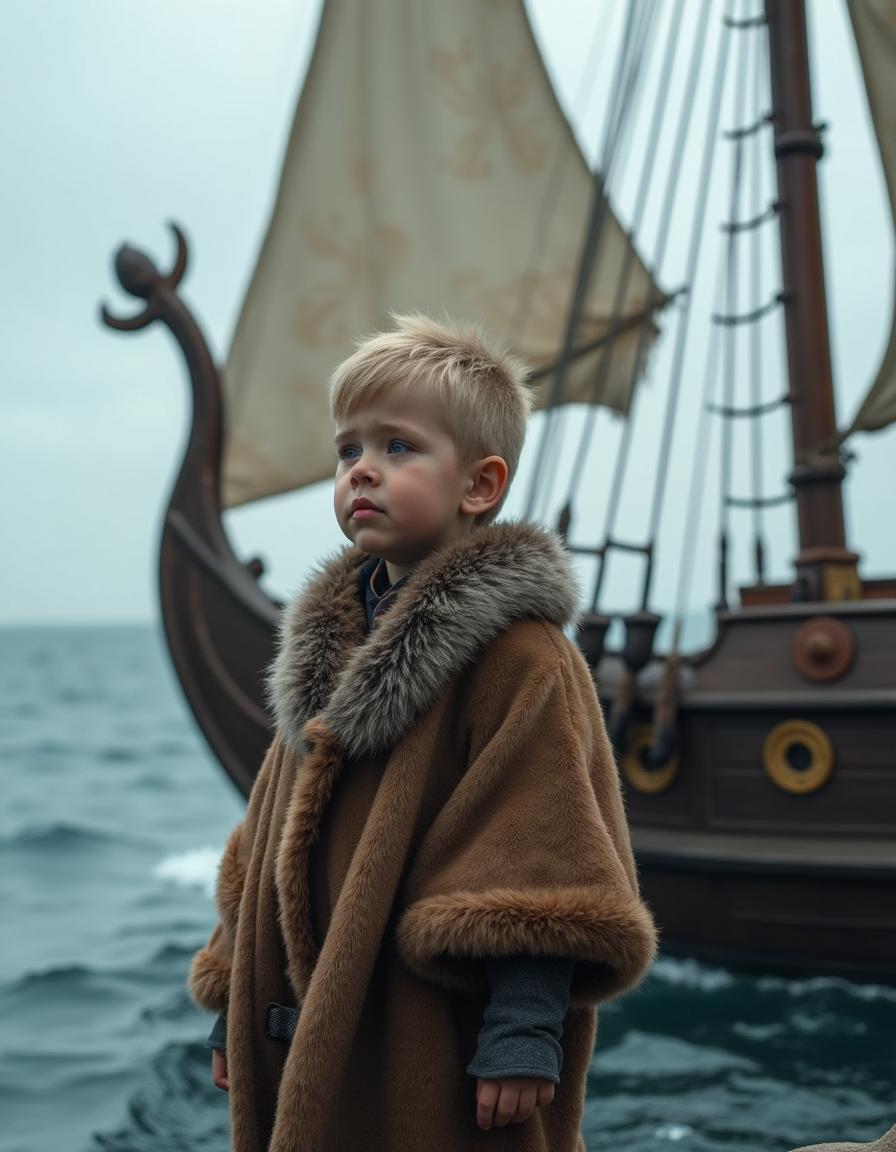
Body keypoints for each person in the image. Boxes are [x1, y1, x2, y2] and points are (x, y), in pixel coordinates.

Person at [188, 313, 657, 1152]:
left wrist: (523, 1028)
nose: (362, 469)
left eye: (398, 448)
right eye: (347, 451)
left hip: (439, 1044)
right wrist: (235, 993)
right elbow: (265, 835)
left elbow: (546, 856)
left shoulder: (522, 659)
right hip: (307, 1019)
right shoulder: (328, 648)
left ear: (479, 486)